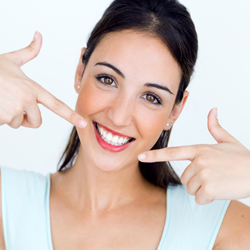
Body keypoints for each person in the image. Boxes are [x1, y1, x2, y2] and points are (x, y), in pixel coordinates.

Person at [0, 0, 250, 249]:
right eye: (107, 79)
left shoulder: (219, 228)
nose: (119, 117)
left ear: (176, 109)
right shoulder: (7, 203)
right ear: (80, 71)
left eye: (151, 97)